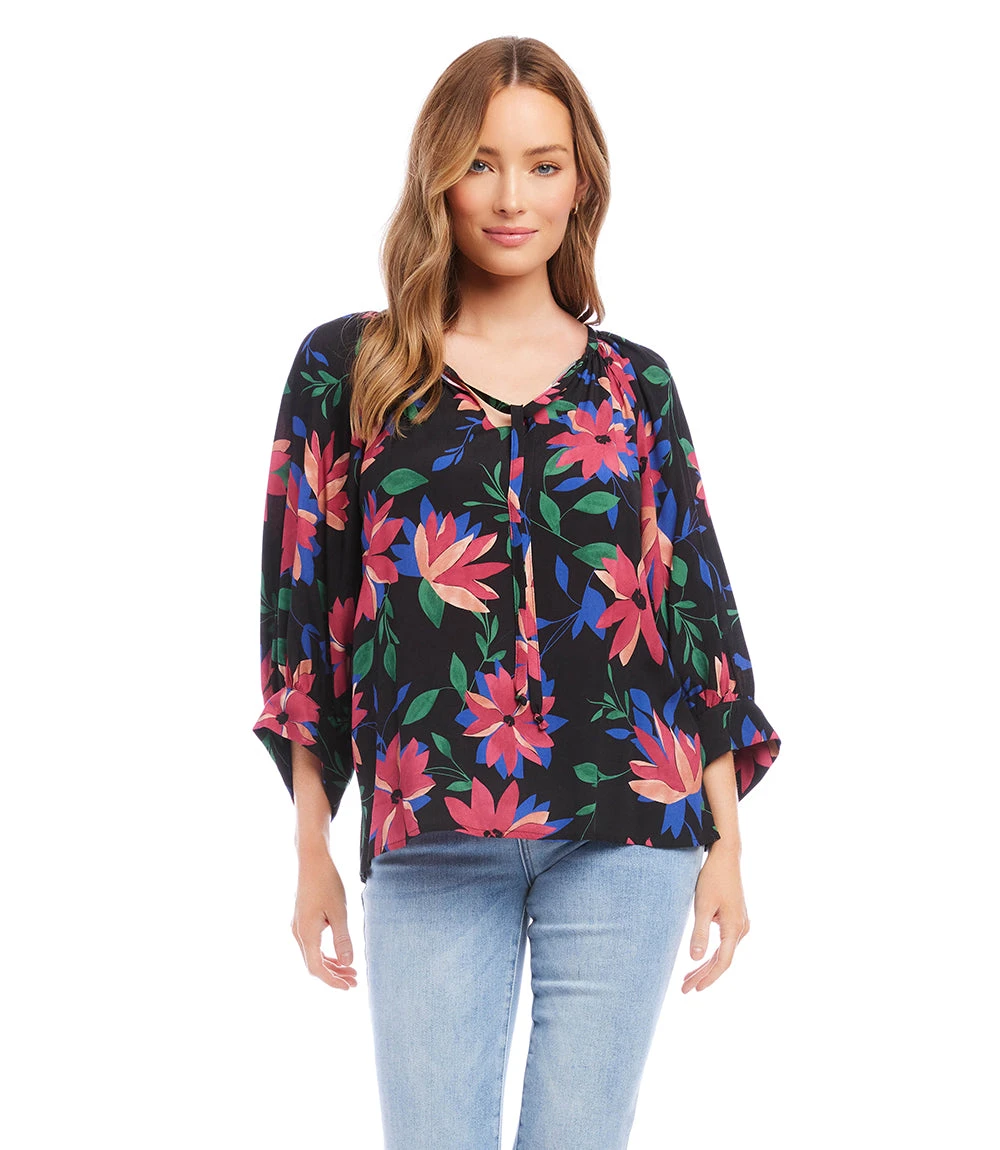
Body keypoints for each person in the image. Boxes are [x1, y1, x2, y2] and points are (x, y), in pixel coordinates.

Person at [253, 35, 782, 1150]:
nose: (510, 198)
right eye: (481, 163)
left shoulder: (634, 383)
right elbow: (308, 619)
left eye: (543, 165)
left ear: (580, 182)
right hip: (431, 830)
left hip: (628, 827)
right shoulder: (351, 369)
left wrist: (727, 846)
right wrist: (310, 850)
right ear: (437, 176)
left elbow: (695, 613)